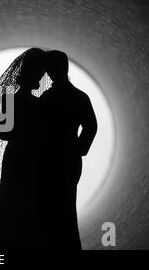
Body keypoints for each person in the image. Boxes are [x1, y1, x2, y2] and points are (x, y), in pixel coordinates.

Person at [0, 48, 48, 250]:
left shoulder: (13, 99)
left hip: (20, 156)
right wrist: (31, 135)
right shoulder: (26, 102)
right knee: (18, 199)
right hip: (23, 157)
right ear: (33, 73)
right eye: (40, 73)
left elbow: (4, 133)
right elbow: (3, 132)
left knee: (16, 199)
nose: (42, 77)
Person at [35, 50, 98, 250]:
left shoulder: (66, 97)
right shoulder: (76, 96)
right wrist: (78, 149)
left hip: (61, 160)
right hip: (57, 160)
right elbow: (91, 126)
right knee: (58, 208)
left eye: (53, 68)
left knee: (62, 207)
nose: (51, 73)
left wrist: (79, 149)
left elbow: (91, 126)